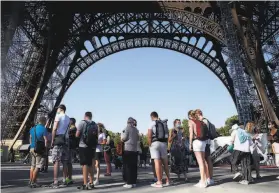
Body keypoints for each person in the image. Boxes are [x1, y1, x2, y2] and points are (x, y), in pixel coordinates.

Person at [76, 112, 98, 190]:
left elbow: (77, 134)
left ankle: (85, 183)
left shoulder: (82, 122)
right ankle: (91, 182)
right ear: (91, 117)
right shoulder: (95, 124)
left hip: (83, 145)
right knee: (91, 164)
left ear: (85, 116)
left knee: (85, 164)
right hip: (92, 146)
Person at [148, 112, 170, 188]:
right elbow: (167, 134)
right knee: (165, 163)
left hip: (155, 143)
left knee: (157, 162)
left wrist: (149, 145)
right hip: (163, 143)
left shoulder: (152, 123)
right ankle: (168, 180)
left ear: (152, 116)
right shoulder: (163, 123)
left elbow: (149, 136)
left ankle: (159, 182)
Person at [50, 104, 70, 188]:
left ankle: (55, 181)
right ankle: (65, 180)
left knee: (56, 161)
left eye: (58, 109)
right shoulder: (68, 118)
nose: (57, 110)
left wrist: (52, 140)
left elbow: (54, 128)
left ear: (61, 109)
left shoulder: (58, 116)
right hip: (65, 140)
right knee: (64, 161)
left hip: (58, 139)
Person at [188, 110, 209, 188]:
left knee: (200, 163)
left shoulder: (191, 121)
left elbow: (191, 133)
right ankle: (205, 180)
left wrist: (190, 144)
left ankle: (202, 182)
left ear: (190, 115)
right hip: (203, 142)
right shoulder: (201, 121)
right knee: (203, 162)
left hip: (196, 142)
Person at [195, 109, 214, 185]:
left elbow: (202, 133)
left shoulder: (203, 121)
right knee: (208, 159)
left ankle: (208, 178)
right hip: (208, 141)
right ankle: (210, 178)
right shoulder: (206, 120)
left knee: (205, 160)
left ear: (198, 114)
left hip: (205, 141)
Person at [29, 117, 48, 187]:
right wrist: (45, 148)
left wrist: (32, 145)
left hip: (32, 148)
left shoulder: (32, 128)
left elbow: (30, 138)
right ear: (43, 121)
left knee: (32, 165)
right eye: (45, 121)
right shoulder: (43, 129)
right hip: (39, 149)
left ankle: (30, 180)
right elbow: (45, 140)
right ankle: (33, 182)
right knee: (38, 166)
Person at [121, 117, 139, 188]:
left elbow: (124, 138)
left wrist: (122, 138)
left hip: (128, 149)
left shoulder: (127, 128)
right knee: (134, 167)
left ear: (128, 122)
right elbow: (138, 139)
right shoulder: (136, 129)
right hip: (134, 149)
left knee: (128, 166)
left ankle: (128, 183)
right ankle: (133, 182)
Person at [67, 118, 78, 184]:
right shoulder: (72, 128)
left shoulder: (73, 129)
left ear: (71, 122)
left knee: (68, 162)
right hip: (71, 146)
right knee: (68, 162)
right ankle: (68, 178)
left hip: (70, 146)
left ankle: (69, 178)